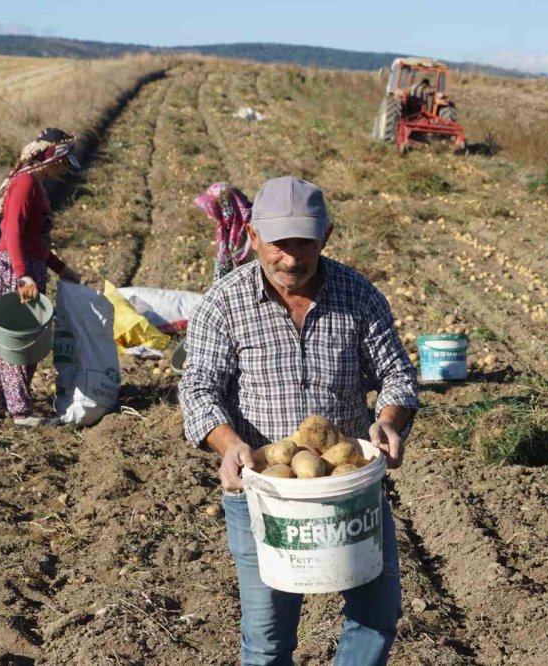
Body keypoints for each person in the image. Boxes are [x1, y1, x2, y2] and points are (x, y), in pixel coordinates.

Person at [179, 176, 419, 665]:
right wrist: (228, 444)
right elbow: (198, 387)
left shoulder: (359, 296)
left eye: (304, 243)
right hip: (264, 494)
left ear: (325, 236)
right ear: (253, 237)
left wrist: (389, 421)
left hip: (347, 490)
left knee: (376, 614)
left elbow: (397, 374)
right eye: (279, 245)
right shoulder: (224, 302)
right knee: (268, 641)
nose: (291, 259)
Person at [0, 128, 82, 427]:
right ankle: (20, 412)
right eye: (63, 161)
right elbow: (12, 232)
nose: (65, 168)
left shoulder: (35, 184)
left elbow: (33, 240)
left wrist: (59, 268)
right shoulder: (25, 183)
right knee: (20, 337)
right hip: (14, 270)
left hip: (29, 267)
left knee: (30, 335)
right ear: (51, 157)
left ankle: (13, 401)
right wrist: (22, 276)